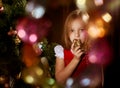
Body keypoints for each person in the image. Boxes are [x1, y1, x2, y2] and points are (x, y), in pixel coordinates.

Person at [54, 9, 103, 87]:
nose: (76, 34)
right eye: (72, 30)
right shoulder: (62, 52)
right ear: (67, 33)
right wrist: (76, 59)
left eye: (81, 30)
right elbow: (60, 80)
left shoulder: (93, 52)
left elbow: (99, 79)